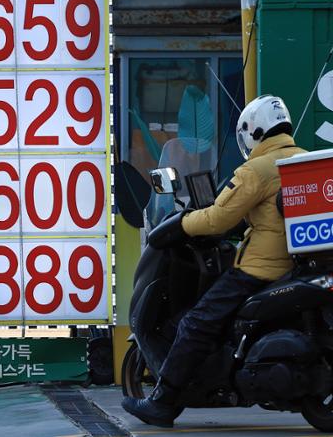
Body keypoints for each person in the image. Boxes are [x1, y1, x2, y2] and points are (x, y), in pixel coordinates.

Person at [122, 95, 306, 427]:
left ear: (254, 131)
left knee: (197, 323)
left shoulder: (257, 169)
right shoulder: (306, 160)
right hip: (297, 264)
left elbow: (218, 219)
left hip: (260, 268)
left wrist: (180, 224)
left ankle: (163, 402)